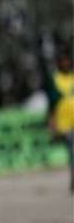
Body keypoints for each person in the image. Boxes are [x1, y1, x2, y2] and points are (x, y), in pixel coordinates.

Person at [47, 52, 74, 192]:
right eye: (63, 61)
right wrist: (52, 124)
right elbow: (51, 103)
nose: (66, 64)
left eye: (67, 61)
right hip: (64, 123)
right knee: (72, 150)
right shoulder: (54, 79)